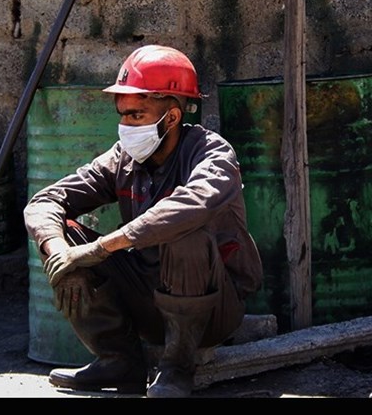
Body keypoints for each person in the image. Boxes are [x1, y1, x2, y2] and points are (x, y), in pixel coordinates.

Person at [24, 44, 263, 398]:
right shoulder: (123, 160)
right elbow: (45, 202)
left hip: (213, 310)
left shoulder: (212, 153)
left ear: (171, 118)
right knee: (65, 240)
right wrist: (62, 253)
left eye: (136, 115)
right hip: (149, 301)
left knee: (186, 234)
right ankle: (119, 360)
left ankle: (179, 368)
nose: (125, 126)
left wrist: (104, 246)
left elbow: (190, 205)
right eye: (122, 115)